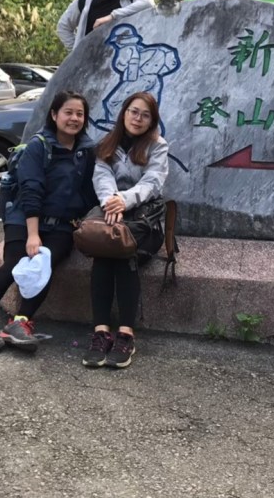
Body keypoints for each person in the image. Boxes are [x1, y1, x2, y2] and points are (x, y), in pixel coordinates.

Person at [0, 90, 97, 353]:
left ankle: (20, 323)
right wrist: (33, 234)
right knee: (15, 264)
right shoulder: (38, 146)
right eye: (68, 112)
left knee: (44, 264)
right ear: (54, 114)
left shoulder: (86, 151)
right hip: (24, 218)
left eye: (80, 114)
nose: (74, 118)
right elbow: (31, 190)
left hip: (61, 223)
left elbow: (89, 190)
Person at [81, 91, 169, 369]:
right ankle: (101, 332)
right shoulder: (108, 143)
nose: (138, 118)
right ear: (124, 113)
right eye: (134, 111)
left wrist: (124, 200)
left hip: (145, 222)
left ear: (152, 120)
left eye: (145, 115)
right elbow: (102, 177)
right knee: (104, 251)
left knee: (122, 252)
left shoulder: (157, 146)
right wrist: (111, 203)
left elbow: (152, 183)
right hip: (112, 213)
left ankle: (126, 334)